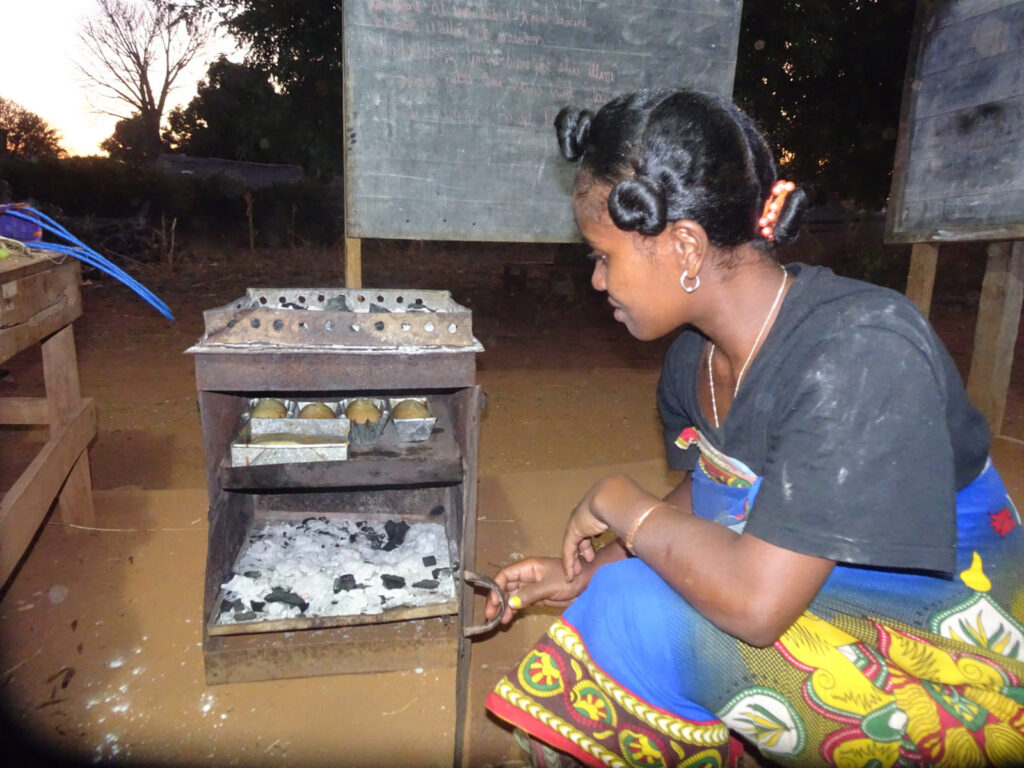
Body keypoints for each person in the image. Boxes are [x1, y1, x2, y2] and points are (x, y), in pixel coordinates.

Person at [483, 89, 1024, 768]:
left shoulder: (860, 349)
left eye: (602, 256)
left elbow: (755, 605)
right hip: (821, 606)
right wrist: (591, 569)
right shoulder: (694, 360)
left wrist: (619, 502)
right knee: (617, 597)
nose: (597, 282)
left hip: (960, 672)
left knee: (637, 619)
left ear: (684, 245)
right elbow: (713, 490)